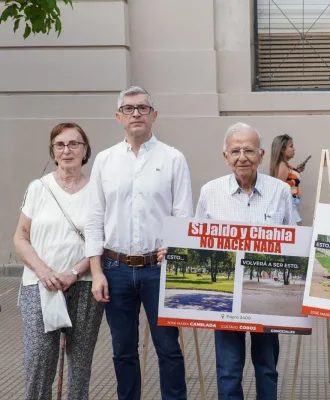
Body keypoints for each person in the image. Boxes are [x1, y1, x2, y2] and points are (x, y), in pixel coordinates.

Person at [85, 86, 193, 400]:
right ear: (118, 117)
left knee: (169, 349)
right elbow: (94, 218)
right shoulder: (105, 161)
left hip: (158, 270)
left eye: (143, 108)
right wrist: (97, 272)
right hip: (114, 268)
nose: (136, 113)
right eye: (129, 108)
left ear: (154, 115)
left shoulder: (173, 158)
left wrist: (175, 246)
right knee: (122, 351)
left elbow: (182, 214)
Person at [195, 122, 294, 400]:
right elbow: (196, 242)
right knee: (228, 369)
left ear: (262, 155)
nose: (242, 157)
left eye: (249, 150)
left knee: (267, 367)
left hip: (268, 295)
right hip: (224, 296)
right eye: (235, 150)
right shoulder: (209, 192)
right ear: (225, 157)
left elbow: (292, 240)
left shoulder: (280, 191)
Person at [14, 122, 104, 399]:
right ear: (53, 152)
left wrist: (74, 273)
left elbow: (102, 241)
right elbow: (20, 238)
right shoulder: (39, 187)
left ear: (85, 150)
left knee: (79, 365)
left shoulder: (98, 191)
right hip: (40, 285)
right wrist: (44, 271)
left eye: (74, 143)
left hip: (84, 284)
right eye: (60, 145)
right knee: (39, 360)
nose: (67, 150)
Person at [269, 134, 306, 224]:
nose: (294, 149)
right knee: (298, 230)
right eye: (291, 146)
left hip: (291, 204)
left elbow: (287, 181)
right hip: (288, 205)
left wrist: (296, 171)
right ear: (282, 149)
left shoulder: (284, 165)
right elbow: (279, 191)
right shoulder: (282, 167)